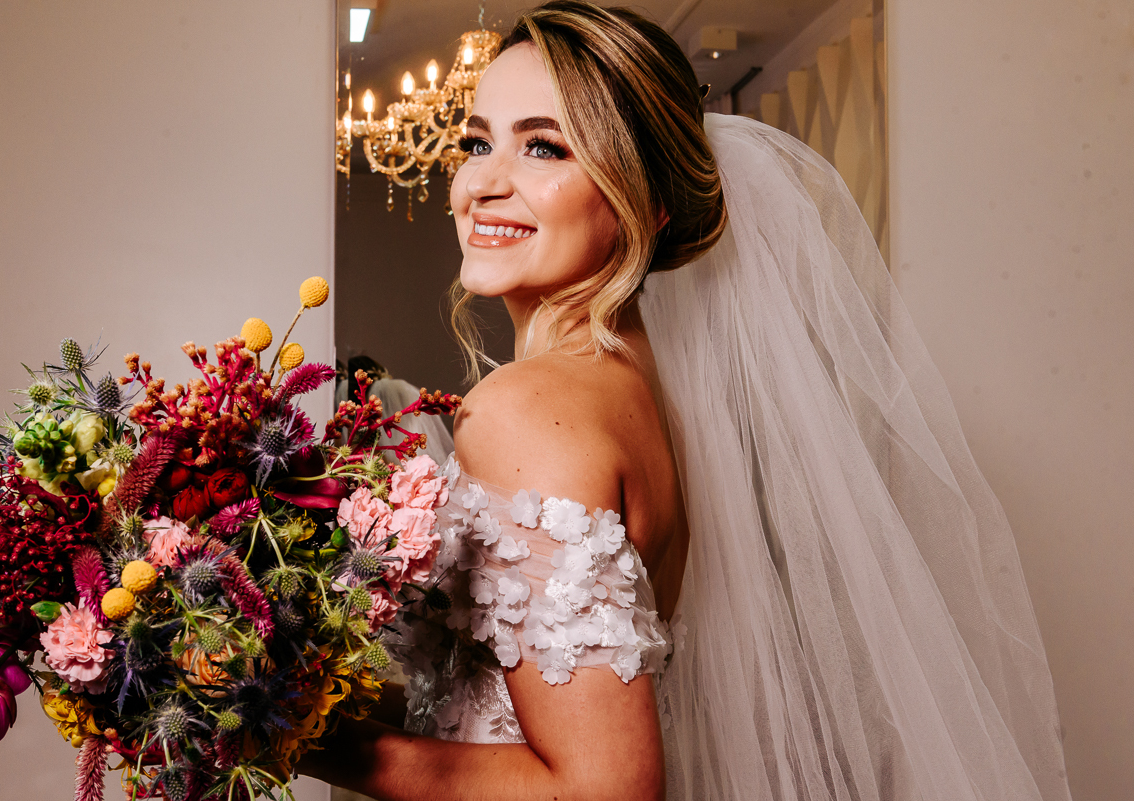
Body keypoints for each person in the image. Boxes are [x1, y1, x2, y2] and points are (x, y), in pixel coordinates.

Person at [300, 3, 1073, 799]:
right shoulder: (638, 392)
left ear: (647, 202)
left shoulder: (524, 409)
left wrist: (292, 734)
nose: (483, 183)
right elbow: (490, 711)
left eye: (543, 146)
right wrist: (284, 696)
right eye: (476, 143)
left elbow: (605, 786)